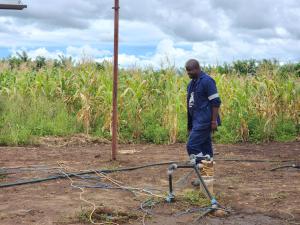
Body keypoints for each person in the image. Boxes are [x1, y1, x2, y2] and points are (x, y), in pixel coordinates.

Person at [185, 59, 221, 169]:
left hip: (205, 121)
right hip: (197, 121)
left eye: (190, 70)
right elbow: (190, 105)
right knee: (205, 149)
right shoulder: (191, 84)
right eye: (187, 71)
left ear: (197, 68)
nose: (188, 73)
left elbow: (216, 102)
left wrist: (214, 121)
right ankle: (206, 179)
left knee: (191, 145)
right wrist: (190, 125)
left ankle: (201, 168)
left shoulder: (207, 81)